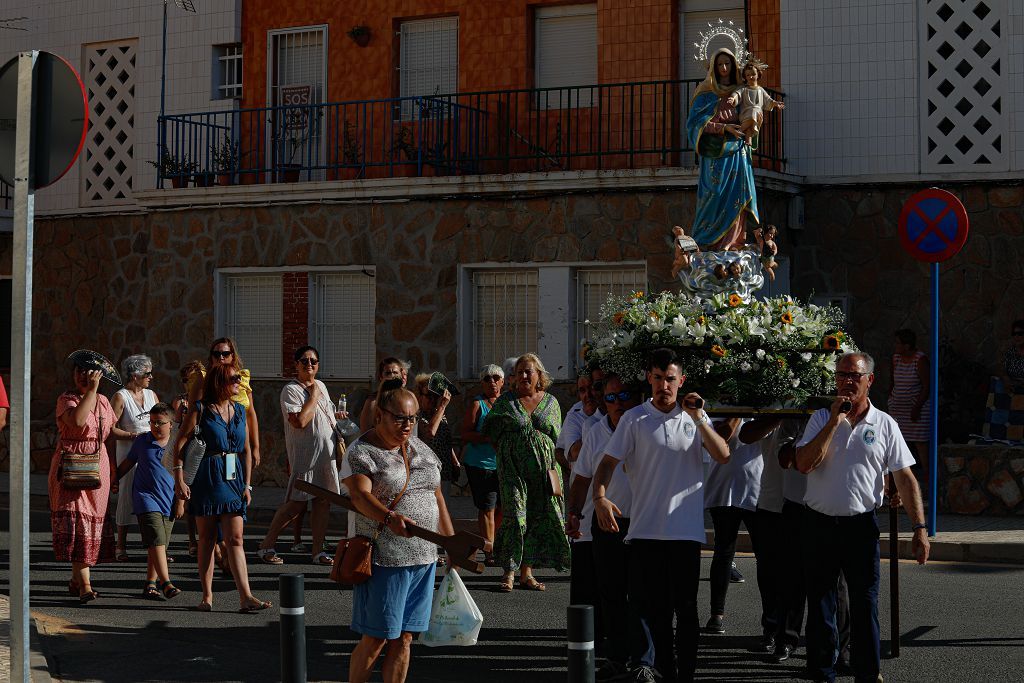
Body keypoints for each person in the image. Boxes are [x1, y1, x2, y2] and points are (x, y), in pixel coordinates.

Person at [592, 348, 730, 683]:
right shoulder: (634, 419)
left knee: (686, 611)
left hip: (685, 533)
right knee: (652, 611)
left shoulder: (696, 418)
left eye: (670, 379)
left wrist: (698, 417)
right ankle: (661, 671)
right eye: (657, 378)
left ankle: (686, 676)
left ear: (681, 381)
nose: (663, 385)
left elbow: (723, 454)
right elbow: (608, 463)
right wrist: (599, 498)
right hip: (644, 533)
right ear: (648, 379)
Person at [795, 352, 930, 683]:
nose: (847, 382)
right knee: (821, 604)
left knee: (865, 603)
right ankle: (821, 671)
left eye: (855, 376)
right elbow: (803, 463)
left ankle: (867, 673)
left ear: (870, 380)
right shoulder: (819, 419)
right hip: (819, 524)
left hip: (860, 527)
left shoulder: (884, 424)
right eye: (841, 375)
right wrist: (832, 422)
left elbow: (905, 478)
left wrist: (920, 528)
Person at [343, 384, 454, 683]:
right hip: (385, 560)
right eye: (400, 418)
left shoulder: (421, 449)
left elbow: (437, 495)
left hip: (424, 559)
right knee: (377, 638)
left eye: (413, 418)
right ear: (380, 415)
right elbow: (359, 496)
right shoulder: (362, 451)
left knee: (405, 638)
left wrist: (451, 542)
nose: (407, 425)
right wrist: (389, 517)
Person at [174, 364, 271, 613]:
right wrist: (180, 478)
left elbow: (246, 450)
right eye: (233, 379)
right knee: (206, 539)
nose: (239, 382)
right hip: (207, 475)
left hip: (233, 476)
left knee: (236, 538)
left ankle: (246, 596)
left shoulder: (240, 410)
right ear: (219, 382)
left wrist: (248, 484)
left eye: (238, 378)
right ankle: (207, 597)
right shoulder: (201, 409)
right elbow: (180, 442)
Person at [565, 372, 641, 681]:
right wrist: (574, 514)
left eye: (624, 396)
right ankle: (617, 657)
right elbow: (582, 478)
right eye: (610, 398)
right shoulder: (595, 433)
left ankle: (645, 658)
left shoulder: (643, 426)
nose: (618, 403)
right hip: (606, 524)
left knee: (642, 596)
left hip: (643, 525)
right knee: (611, 595)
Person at [483, 353, 570, 592]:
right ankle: (509, 572)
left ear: (539, 375)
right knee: (514, 515)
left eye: (528, 371)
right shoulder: (505, 402)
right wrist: (512, 452)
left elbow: (557, 438)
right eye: (519, 372)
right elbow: (491, 433)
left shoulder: (551, 402)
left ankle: (526, 573)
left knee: (536, 517)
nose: (523, 376)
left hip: (544, 473)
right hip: (513, 472)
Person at [49, 358, 134, 603]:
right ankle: (86, 584)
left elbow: (106, 431)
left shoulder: (105, 402)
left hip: (98, 466)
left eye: (89, 372)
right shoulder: (67, 399)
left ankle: (77, 579)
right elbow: (77, 421)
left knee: (90, 525)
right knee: (77, 524)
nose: (83, 376)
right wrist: (92, 391)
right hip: (70, 467)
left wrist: (132, 436)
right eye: (79, 372)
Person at [257, 346, 344, 565]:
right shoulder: (291, 390)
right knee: (296, 504)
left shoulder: (322, 385)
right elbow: (300, 421)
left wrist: (336, 415)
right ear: (296, 365)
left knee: (323, 502)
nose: (309, 365)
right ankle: (266, 544)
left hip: (326, 455)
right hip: (306, 457)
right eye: (304, 361)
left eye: (314, 361)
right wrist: (313, 395)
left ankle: (318, 551)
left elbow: (324, 414)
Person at [703, 417, 776, 649]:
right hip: (723, 490)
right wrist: (737, 412)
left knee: (765, 558)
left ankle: (771, 625)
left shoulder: (762, 408)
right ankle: (717, 614)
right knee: (723, 553)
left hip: (757, 489)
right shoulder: (720, 406)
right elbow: (721, 436)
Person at [686, 48, 758, 250]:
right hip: (715, 154)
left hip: (738, 152)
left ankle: (735, 242)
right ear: (714, 68)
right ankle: (708, 241)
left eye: (728, 64)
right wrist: (723, 127)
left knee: (737, 195)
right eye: (720, 64)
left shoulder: (742, 91)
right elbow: (694, 124)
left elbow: (753, 115)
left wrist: (752, 123)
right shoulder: (705, 93)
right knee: (715, 193)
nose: (724, 68)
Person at [115, 402, 181, 600]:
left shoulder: (178, 444)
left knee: (159, 545)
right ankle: (166, 583)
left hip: (169, 500)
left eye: (160, 423)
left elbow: (186, 476)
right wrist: (113, 480)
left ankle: (150, 583)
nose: (155, 426)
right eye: (152, 422)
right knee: (156, 539)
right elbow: (127, 463)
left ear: (171, 424)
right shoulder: (142, 441)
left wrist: (181, 501)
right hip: (145, 498)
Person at [110, 354, 160, 562]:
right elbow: (110, 428)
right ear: (134, 374)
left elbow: (161, 419)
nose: (151, 377)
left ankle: (155, 546)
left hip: (150, 452)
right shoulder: (121, 397)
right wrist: (132, 436)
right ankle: (120, 545)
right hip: (128, 452)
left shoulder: (152, 395)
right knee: (126, 497)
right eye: (147, 373)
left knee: (152, 497)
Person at [186, 338, 261, 467]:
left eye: (225, 354)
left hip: (239, 443)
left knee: (239, 482)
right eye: (216, 354)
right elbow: (193, 412)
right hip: (212, 446)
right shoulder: (203, 379)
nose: (220, 357)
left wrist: (256, 447)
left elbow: (251, 413)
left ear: (232, 356)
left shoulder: (239, 379)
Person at [459, 364, 504, 562]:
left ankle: (490, 542)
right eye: (487, 378)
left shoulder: (508, 403)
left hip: (504, 464)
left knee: (502, 507)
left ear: (503, 381)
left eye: (496, 377)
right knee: (487, 507)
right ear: (481, 383)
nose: (492, 382)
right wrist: (487, 437)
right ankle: (489, 550)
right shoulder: (478, 404)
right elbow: (465, 433)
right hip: (481, 464)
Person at [172, 360, 204, 557]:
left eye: (191, 379)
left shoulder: (207, 397)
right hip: (188, 451)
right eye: (185, 380)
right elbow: (177, 429)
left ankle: (206, 538)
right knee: (189, 500)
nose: (187, 384)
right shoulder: (181, 401)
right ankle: (192, 540)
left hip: (203, 449)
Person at [888, 329, 931, 479]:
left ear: (907, 346)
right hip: (898, 408)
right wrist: (891, 398)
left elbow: (927, 386)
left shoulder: (920, 359)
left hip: (916, 407)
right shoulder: (896, 358)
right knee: (899, 441)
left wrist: (916, 407)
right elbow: (893, 381)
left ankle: (927, 475)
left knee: (920, 442)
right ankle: (902, 476)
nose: (895, 345)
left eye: (898, 343)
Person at [413, 373, 458, 497]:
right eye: (429, 395)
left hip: (444, 470)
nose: (433, 400)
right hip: (428, 472)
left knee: (445, 510)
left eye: (436, 395)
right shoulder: (417, 416)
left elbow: (446, 439)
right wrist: (442, 406)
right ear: (420, 396)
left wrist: (455, 461)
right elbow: (429, 433)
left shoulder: (440, 415)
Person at [732, 59, 784, 146]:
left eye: (753, 74)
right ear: (745, 76)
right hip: (745, 113)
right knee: (752, 115)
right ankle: (741, 132)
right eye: (748, 75)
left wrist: (775, 103)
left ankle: (747, 139)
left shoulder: (760, 90)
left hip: (757, 114)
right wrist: (732, 98)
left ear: (758, 74)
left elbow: (768, 100)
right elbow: (737, 94)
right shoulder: (743, 89)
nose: (751, 77)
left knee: (751, 122)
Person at [555, 372, 595, 470]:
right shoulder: (575, 413)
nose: (588, 394)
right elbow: (562, 451)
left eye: (592, 388)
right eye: (582, 390)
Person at [359, 357, 410, 433]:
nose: (392, 376)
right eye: (388, 373)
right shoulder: (373, 401)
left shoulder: (407, 399)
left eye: (395, 372)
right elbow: (365, 432)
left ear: (401, 375)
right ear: (381, 377)